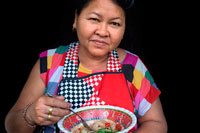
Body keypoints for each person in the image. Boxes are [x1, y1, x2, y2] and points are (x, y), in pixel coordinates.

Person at [5, 0, 167, 132]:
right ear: (76, 19)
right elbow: (12, 125)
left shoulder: (132, 67)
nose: (103, 32)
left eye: (115, 24)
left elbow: (156, 123)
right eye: (94, 19)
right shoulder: (50, 62)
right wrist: (31, 115)